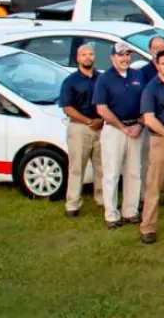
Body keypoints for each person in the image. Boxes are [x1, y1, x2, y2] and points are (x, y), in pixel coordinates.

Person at [93, 44, 148, 229]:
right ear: (112, 58)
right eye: (121, 55)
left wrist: (140, 124)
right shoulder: (104, 79)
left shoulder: (137, 76)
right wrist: (123, 127)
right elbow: (101, 108)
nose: (125, 58)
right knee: (112, 173)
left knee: (134, 172)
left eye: (127, 55)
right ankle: (111, 215)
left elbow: (145, 103)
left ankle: (130, 211)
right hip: (114, 131)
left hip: (136, 129)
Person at [57, 42, 103, 219]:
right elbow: (67, 108)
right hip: (79, 128)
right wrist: (89, 121)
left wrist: (100, 120)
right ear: (77, 58)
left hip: (101, 127)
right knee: (77, 167)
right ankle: (73, 203)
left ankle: (102, 199)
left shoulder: (101, 78)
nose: (88, 57)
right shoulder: (70, 81)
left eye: (91, 54)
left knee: (102, 166)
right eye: (84, 55)